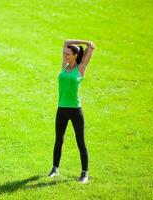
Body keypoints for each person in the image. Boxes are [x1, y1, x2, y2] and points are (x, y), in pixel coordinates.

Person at [48, 39, 95, 183]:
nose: (65, 56)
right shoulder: (64, 67)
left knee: (80, 142)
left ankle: (84, 174)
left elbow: (91, 48)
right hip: (61, 109)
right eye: (64, 53)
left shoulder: (80, 69)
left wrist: (89, 44)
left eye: (67, 54)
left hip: (75, 111)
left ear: (75, 55)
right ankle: (55, 168)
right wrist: (84, 41)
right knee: (58, 140)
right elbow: (66, 41)